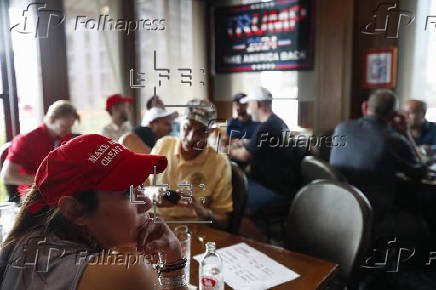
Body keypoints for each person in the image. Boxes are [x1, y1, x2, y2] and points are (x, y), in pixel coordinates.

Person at [0, 134, 189, 290]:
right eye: (126, 192)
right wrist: (173, 261)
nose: (147, 203)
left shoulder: (29, 240)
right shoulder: (125, 273)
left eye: (139, 187)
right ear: (74, 210)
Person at [330, 89, 428, 238]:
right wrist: (406, 133)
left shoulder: (341, 127)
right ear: (395, 115)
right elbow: (419, 173)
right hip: (371, 207)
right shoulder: (394, 139)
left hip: (336, 201)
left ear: (365, 106)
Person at [147, 99, 233, 230]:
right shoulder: (162, 146)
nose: (191, 137)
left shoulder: (219, 163)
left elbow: (224, 220)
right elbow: (140, 190)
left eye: (200, 131)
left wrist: (203, 213)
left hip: (193, 228)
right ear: (180, 125)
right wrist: (151, 193)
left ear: (210, 132)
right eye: (187, 128)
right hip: (153, 221)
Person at [229, 87, 301, 213]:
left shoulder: (266, 127)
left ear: (258, 103)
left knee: (230, 200)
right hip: (283, 183)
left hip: (272, 188)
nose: (249, 109)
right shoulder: (278, 123)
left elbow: (244, 155)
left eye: (250, 104)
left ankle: (245, 230)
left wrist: (223, 149)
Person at [1, 100, 80, 200]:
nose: (69, 131)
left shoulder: (65, 137)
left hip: (60, 190)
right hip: (34, 194)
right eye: (64, 126)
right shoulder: (26, 140)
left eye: (71, 127)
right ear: (51, 120)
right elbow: (7, 176)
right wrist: (46, 181)